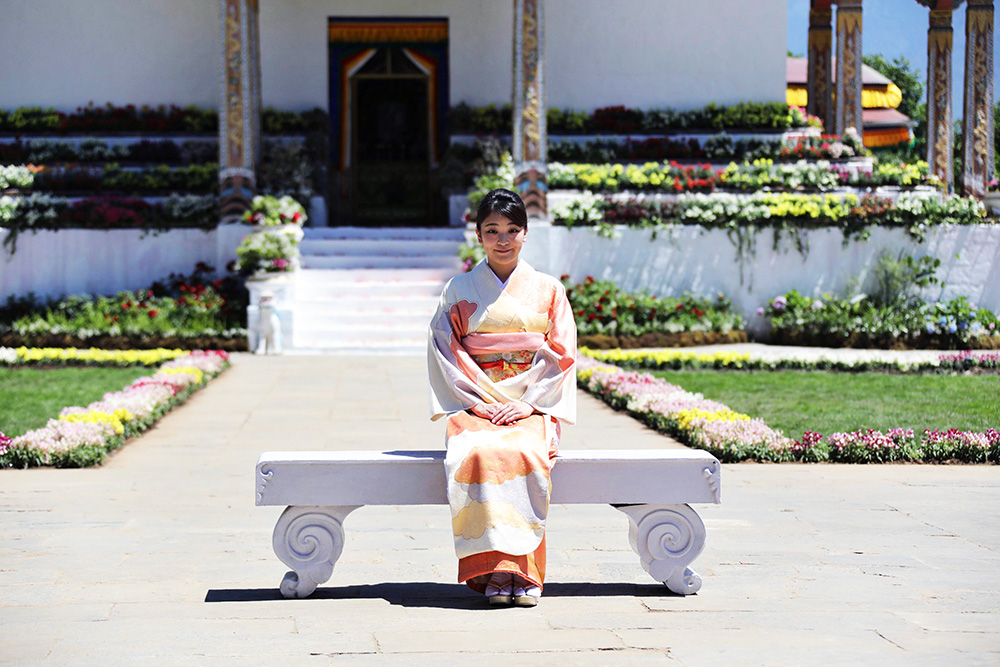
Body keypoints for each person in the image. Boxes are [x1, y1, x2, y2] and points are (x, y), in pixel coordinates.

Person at [427, 188, 577, 607]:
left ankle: (524, 573)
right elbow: (445, 348)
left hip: (530, 403)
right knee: (475, 453)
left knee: (527, 455)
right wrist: (477, 402)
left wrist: (530, 403)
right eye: (492, 230)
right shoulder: (458, 289)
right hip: (478, 403)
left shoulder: (549, 289)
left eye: (512, 230)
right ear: (478, 235)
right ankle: (493, 571)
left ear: (526, 234)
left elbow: (563, 352)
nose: (503, 239)